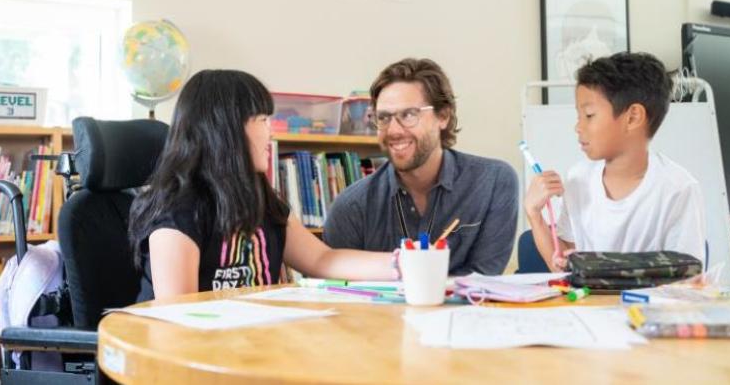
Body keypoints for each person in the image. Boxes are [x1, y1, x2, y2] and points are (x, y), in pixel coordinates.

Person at [129, 69, 397, 300]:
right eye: (262, 120)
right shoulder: (177, 212)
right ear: (226, 129)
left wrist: (401, 264)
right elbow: (178, 318)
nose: (271, 131)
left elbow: (320, 259)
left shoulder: (260, 198)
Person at [322, 58, 519, 276]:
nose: (394, 130)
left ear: (443, 116)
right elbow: (339, 294)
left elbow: (484, 280)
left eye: (408, 115)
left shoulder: (493, 183)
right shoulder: (350, 208)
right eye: (384, 118)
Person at [524, 52, 706, 272]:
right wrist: (534, 214)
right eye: (579, 116)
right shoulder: (579, 179)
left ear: (632, 117)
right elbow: (564, 266)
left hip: (644, 307)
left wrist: (606, 270)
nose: (578, 127)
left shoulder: (677, 189)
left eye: (589, 115)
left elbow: (687, 278)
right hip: (587, 306)